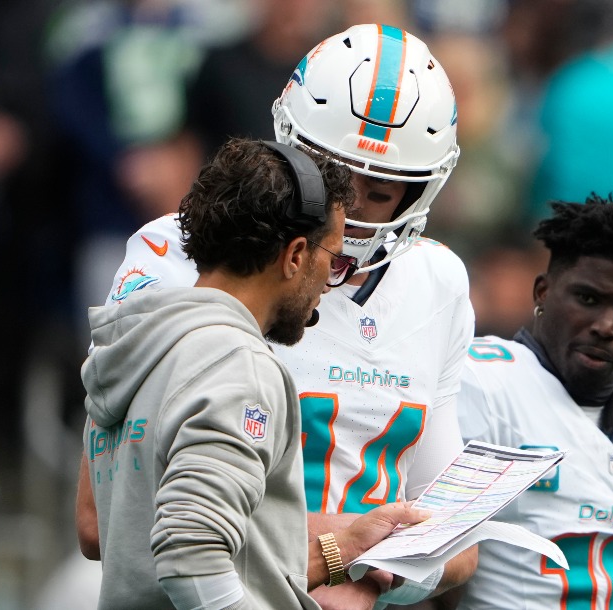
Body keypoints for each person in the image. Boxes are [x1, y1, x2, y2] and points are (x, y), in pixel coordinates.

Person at [89, 24, 477, 609]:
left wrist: (353, 557)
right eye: (334, 179)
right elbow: (105, 520)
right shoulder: (177, 255)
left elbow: (457, 547)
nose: (349, 217)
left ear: (418, 191)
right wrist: (343, 545)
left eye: (379, 192)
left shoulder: (438, 283)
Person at [80, 137, 429, 609]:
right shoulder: (238, 365)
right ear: (295, 255)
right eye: (332, 260)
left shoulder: (139, 349)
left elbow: (216, 565)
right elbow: (190, 557)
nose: (328, 288)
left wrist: (340, 549)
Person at [453, 194, 613, 609]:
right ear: (544, 292)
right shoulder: (484, 385)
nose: (606, 326)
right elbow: (433, 576)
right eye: (588, 299)